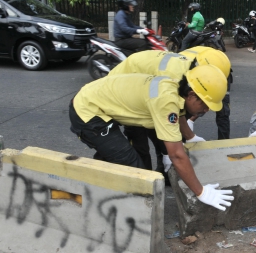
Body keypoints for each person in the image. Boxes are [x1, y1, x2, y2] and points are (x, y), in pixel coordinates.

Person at [69, 65, 234, 211]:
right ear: (191, 95)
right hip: (88, 110)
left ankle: (95, 191)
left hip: (100, 100)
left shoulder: (178, 87)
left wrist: (190, 138)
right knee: (134, 168)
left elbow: (180, 117)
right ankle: (134, 217)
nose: (206, 110)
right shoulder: (166, 102)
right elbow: (176, 154)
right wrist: (201, 192)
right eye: (205, 104)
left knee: (115, 154)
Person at [106, 47, 233, 172]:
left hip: (148, 90)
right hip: (124, 91)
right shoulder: (172, 78)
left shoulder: (194, 68)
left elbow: (177, 109)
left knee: (165, 137)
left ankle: (165, 174)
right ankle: (146, 182)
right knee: (140, 142)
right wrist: (173, 152)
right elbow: (170, 111)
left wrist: (190, 137)